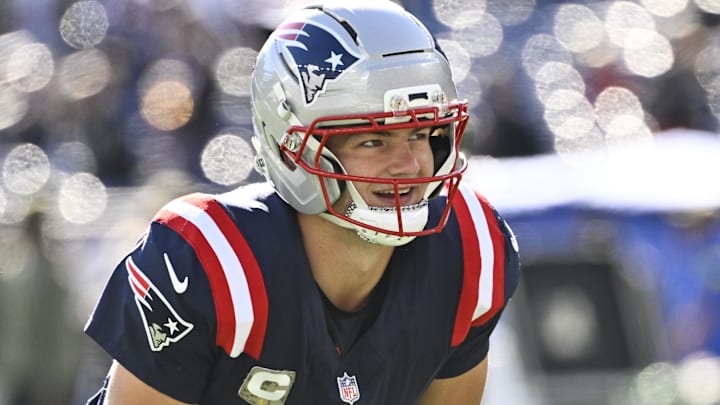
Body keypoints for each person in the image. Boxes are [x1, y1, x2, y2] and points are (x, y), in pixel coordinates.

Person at [83, 0, 521, 404]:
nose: (408, 164)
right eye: (373, 140)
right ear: (293, 149)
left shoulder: (468, 250)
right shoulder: (211, 263)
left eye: (421, 133)